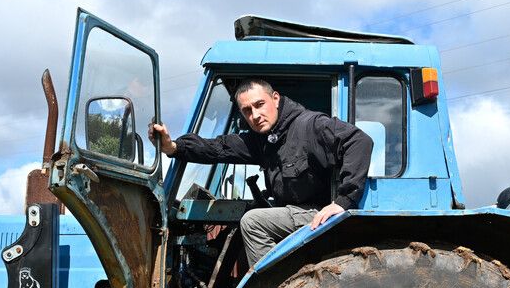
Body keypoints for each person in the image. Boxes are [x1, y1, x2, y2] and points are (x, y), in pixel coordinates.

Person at [148, 79, 372, 267]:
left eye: (259, 104)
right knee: (254, 213)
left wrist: (343, 201)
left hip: (317, 214)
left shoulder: (310, 125)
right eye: (247, 110)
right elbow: (219, 148)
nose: (255, 115)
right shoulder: (262, 141)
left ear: (275, 98)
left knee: (253, 222)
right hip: (296, 213)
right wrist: (173, 147)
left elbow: (358, 140)